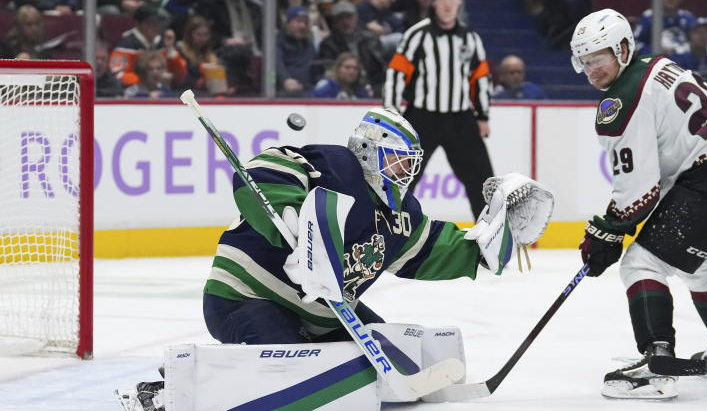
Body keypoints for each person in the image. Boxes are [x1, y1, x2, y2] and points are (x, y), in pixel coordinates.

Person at [202, 106, 545, 347]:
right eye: (398, 160)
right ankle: (181, 385)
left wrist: (492, 240)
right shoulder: (337, 168)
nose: (405, 171)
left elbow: (430, 248)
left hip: (322, 317)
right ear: (369, 150)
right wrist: (291, 215)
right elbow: (265, 168)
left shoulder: (401, 214)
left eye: (410, 163)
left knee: (386, 347)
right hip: (245, 297)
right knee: (287, 360)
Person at [570, 8, 707, 400]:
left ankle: (657, 364)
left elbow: (638, 191)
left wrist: (606, 233)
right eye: (584, 61)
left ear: (623, 48)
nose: (591, 69)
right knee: (700, 265)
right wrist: (613, 228)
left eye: (598, 58)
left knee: (640, 262)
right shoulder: (657, 65)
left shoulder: (620, 102)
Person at [383, 0, 495, 220]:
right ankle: (388, 233)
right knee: (402, 177)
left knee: (482, 180)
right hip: (423, 117)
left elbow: (481, 79)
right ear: (433, 1)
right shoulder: (418, 35)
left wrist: (482, 115)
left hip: (460, 118)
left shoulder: (470, 38)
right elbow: (396, 73)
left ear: (460, 2)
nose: (448, 3)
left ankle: (490, 239)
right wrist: (392, 114)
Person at [276, 6, 320, 97]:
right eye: (298, 21)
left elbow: (316, 67)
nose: (302, 26)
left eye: (305, 22)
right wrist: (285, 79)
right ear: (288, 23)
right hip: (283, 94)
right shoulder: (277, 42)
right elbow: (276, 65)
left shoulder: (308, 43)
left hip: (309, 91)